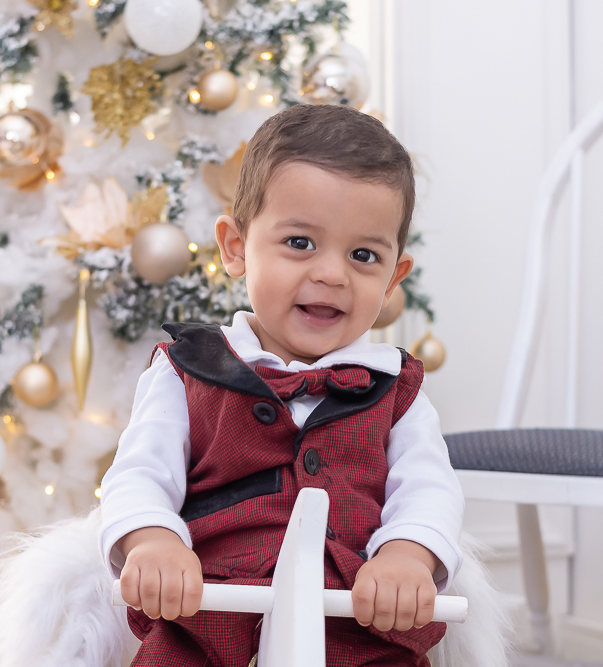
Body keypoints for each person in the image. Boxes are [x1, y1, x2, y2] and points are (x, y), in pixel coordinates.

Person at [99, 103, 464, 667]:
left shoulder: (397, 390)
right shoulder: (187, 370)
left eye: (363, 255)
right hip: (209, 619)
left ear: (394, 277)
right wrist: (153, 542)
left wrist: (406, 558)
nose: (332, 274)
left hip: (355, 623)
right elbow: (139, 475)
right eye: (300, 243)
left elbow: (429, 490)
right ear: (236, 247)